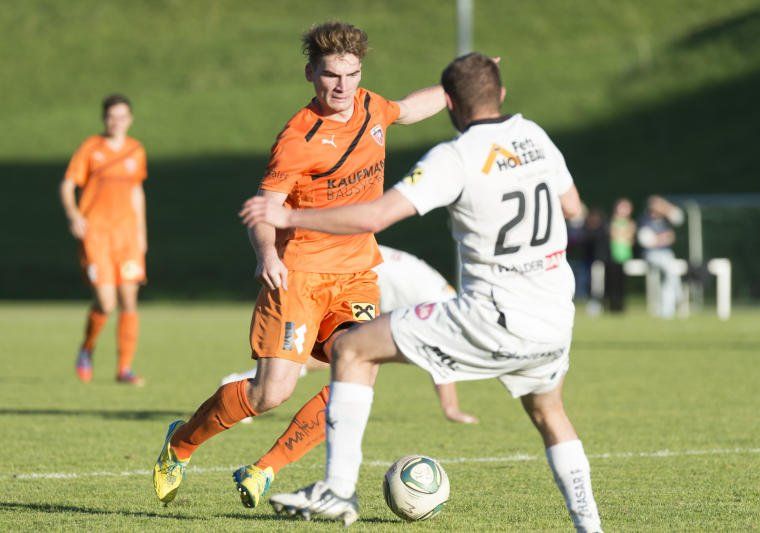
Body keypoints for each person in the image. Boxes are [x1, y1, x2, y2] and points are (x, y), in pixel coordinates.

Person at [241, 52, 602, 531]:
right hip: (553, 317)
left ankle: (338, 490)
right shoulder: (534, 136)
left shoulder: (456, 157)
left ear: (449, 103)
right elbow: (573, 208)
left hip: (490, 315)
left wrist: (289, 215)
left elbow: (374, 216)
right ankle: (591, 526)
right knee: (550, 413)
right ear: (502, 95)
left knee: (351, 348)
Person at [152, 21, 447, 506]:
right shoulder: (296, 138)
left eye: (351, 74)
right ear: (311, 73)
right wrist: (267, 254)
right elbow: (264, 209)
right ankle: (180, 444)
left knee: (358, 367)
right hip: (300, 276)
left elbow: (412, 108)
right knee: (270, 394)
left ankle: (264, 470)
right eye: (331, 75)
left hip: (356, 273)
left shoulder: (372, 106)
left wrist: (462, 85)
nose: (342, 86)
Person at [221, 244, 478, 425]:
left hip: (358, 263)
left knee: (343, 353)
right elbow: (438, 363)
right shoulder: (443, 311)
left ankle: (249, 386)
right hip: (355, 273)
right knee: (346, 353)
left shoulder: (447, 300)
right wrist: (451, 409)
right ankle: (248, 389)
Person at [59, 94, 148, 386]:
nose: (117, 121)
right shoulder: (91, 148)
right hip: (97, 234)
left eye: (122, 116)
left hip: (127, 235)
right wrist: (74, 215)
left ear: (130, 119)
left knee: (129, 300)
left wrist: (142, 233)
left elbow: (136, 191)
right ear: (104, 119)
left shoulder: (136, 150)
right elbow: (67, 185)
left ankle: (124, 369)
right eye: (112, 116)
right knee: (106, 302)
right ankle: (87, 347)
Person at [637, 195, 684, 318]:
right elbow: (646, 241)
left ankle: (669, 308)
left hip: (667, 254)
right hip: (652, 254)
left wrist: (667, 207)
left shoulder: (665, 220)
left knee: (671, 274)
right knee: (671, 271)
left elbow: (679, 218)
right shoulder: (645, 220)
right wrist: (663, 238)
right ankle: (678, 297)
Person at [606, 198, 635, 312]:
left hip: (625, 255)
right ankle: (612, 305)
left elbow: (629, 238)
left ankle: (621, 306)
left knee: (622, 283)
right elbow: (615, 235)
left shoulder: (630, 223)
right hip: (613, 255)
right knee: (613, 281)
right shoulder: (612, 222)